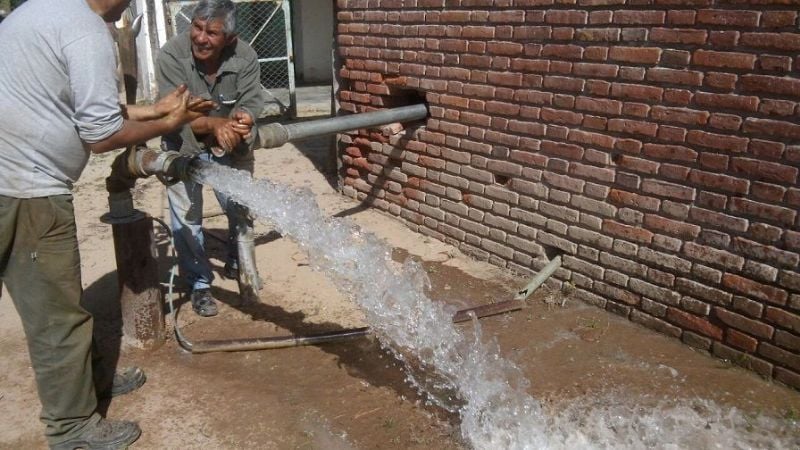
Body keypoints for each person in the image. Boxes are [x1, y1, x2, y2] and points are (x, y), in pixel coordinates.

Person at [0, 0, 215, 448]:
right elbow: (100, 136)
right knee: (56, 314)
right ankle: (73, 428)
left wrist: (153, 111)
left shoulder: (40, 10)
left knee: (60, 306)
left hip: (11, 178)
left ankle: (89, 381)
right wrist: (171, 122)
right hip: (25, 188)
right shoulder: (85, 29)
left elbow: (76, 101)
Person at [156, 0, 266, 317]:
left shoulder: (244, 55)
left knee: (239, 208)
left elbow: (250, 101)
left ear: (229, 39)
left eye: (212, 33)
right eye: (197, 27)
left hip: (232, 146)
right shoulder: (171, 55)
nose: (201, 38)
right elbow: (171, 114)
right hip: (183, 145)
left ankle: (239, 258)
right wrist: (216, 124)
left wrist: (241, 119)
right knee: (187, 220)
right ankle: (200, 284)